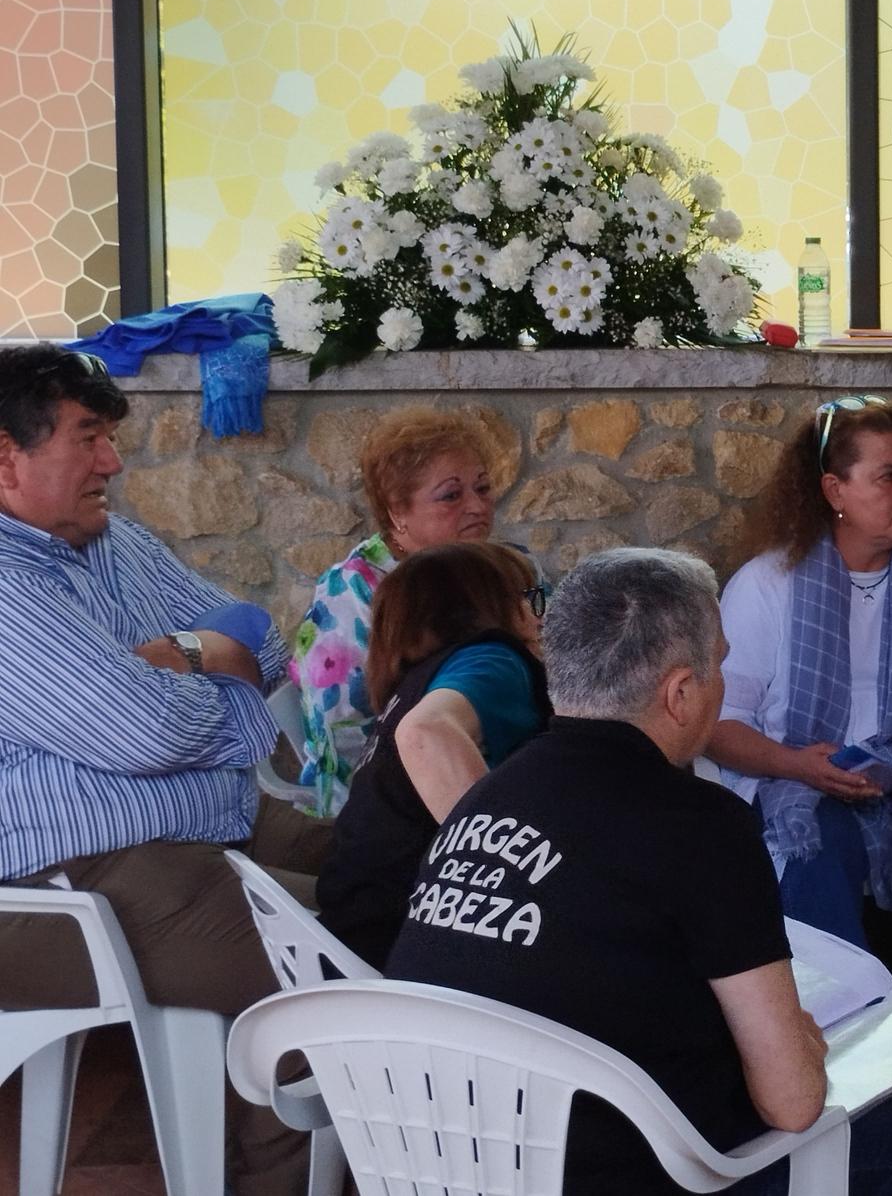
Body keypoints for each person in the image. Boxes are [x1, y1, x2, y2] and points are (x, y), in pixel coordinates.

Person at [390, 548, 892, 1195]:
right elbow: (792, 1102)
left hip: (438, 1165)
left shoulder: (485, 795)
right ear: (679, 693)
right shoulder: (703, 824)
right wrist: (804, 1047)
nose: (722, 686)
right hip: (613, 1173)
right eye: (720, 667)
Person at [0, 344, 325, 1196]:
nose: (113, 461)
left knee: (394, 870)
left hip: (206, 820)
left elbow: (261, 641)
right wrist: (205, 669)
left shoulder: (113, 542)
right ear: (6, 456)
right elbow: (142, 732)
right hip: (65, 885)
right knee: (326, 963)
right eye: (87, 439)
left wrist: (177, 655)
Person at [705, 396, 892, 1125]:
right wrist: (798, 766)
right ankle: (850, 1045)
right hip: (801, 772)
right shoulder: (768, 583)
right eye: (887, 476)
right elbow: (720, 724)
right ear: (834, 491)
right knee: (815, 854)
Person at [315, 540, 550, 968]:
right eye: (532, 598)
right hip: (404, 960)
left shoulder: (415, 682)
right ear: (492, 607)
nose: (540, 616)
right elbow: (425, 733)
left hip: (356, 940)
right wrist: (511, 874)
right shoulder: (493, 658)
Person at [291, 406, 497, 814]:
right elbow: (345, 731)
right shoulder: (354, 591)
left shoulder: (498, 566)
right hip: (390, 799)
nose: (478, 506)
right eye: (452, 495)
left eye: (484, 488)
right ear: (396, 512)